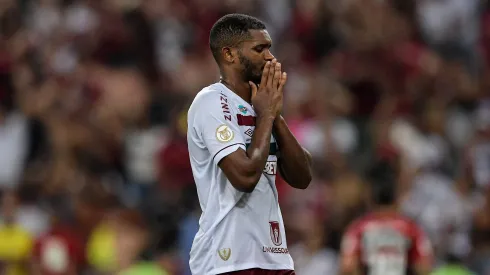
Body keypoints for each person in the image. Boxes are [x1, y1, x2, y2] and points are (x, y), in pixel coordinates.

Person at [186, 13, 313, 275]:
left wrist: (274, 116)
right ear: (229, 55)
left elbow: (302, 177)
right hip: (227, 259)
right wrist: (266, 115)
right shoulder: (210, 102)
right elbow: (244, 176)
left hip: (274, 258)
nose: (270, 57)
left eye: (269, 48)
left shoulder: (262, 106)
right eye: (260, 49)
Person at [339, 161, 433, 275]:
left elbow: (348, 267)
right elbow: (424, 267)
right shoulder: (412, 228)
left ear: (370, 196)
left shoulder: (358, 228)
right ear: (396, 195)